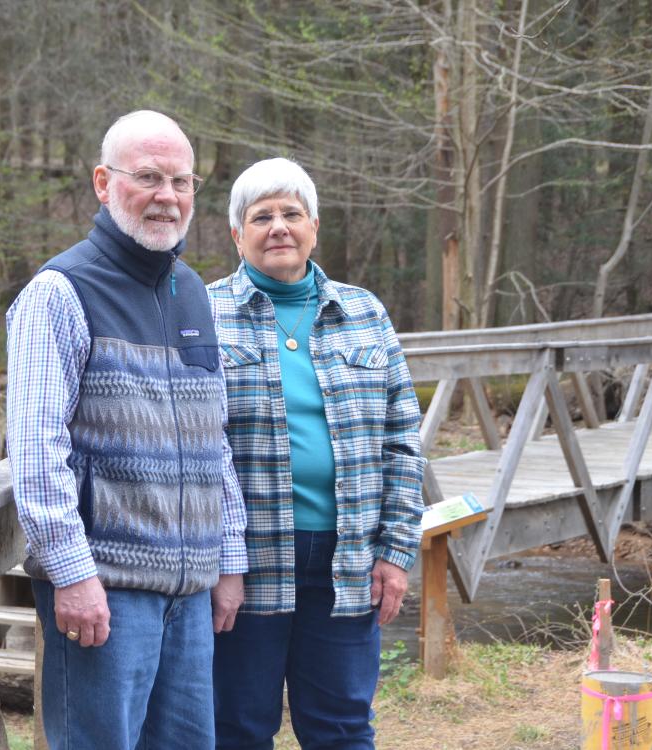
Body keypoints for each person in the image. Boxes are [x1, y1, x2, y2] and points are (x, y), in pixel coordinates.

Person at [4, 110, 247, 750]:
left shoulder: (192, 292)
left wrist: (230, 558)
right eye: (148, 177)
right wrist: (71, 572)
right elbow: (34, 451)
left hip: (190, 594)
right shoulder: (59, 292)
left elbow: (213, 441)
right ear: (103, 183)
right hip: (104, 595)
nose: (167, 196)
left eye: (181, 181)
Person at [208, 158, 425, 750]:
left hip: (348, 560)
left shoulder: (365, 312)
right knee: (236, 726)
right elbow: (193, 449)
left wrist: (396, 550)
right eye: (261, 217)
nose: (278, 226)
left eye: (291, 213)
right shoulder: (203, 315)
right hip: (245, 563)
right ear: (237, 234)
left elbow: (403, 440)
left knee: (342, 726)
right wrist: (214, 560)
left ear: (314, 226)